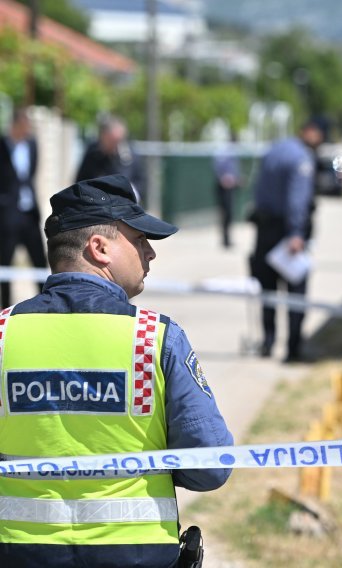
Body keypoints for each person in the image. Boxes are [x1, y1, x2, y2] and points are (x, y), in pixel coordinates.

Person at [0, 174, 234, 567]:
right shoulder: (153, 339)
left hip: (19, 552)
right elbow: (210, 467)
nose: (150, 254)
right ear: (99, 248)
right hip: (135, 555)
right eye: (140, 240)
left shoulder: (4, 335)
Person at [250, 119, 324, 362]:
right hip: (286, 233)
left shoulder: (274, 150)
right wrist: (296, 233)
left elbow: (258, 190)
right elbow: (297, 199)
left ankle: (268, 342)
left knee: (267, 290)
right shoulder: (301, 157)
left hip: (264, 230)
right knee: (296, 293)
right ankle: (293, 348)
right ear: (310, 131)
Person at [0, 107, 47, 308]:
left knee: (39, 262)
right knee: (5, 265)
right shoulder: (2, 145)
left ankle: (46, 304)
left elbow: (31, 174)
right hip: (7, 216)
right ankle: (5, 307)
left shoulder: (32, 145)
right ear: (15, 125)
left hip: (29, 214)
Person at [76, 115, 147, 202]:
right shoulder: (92, 154)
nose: (115, 145)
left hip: (124, 208)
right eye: (112, 141)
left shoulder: (131, 157)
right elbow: (79, 183)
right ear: (102, 136)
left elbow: (141, 186)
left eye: (118, 141)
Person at [212, 135, 242, 248]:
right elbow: (218, 167)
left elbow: (233, 169)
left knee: (229, 213)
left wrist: (237, 179)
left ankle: (227, 238)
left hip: (231, 186)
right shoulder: (225, 151)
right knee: (225, 213)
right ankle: (225, 239)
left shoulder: (232, 152)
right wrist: (223, 178)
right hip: (224, 186)